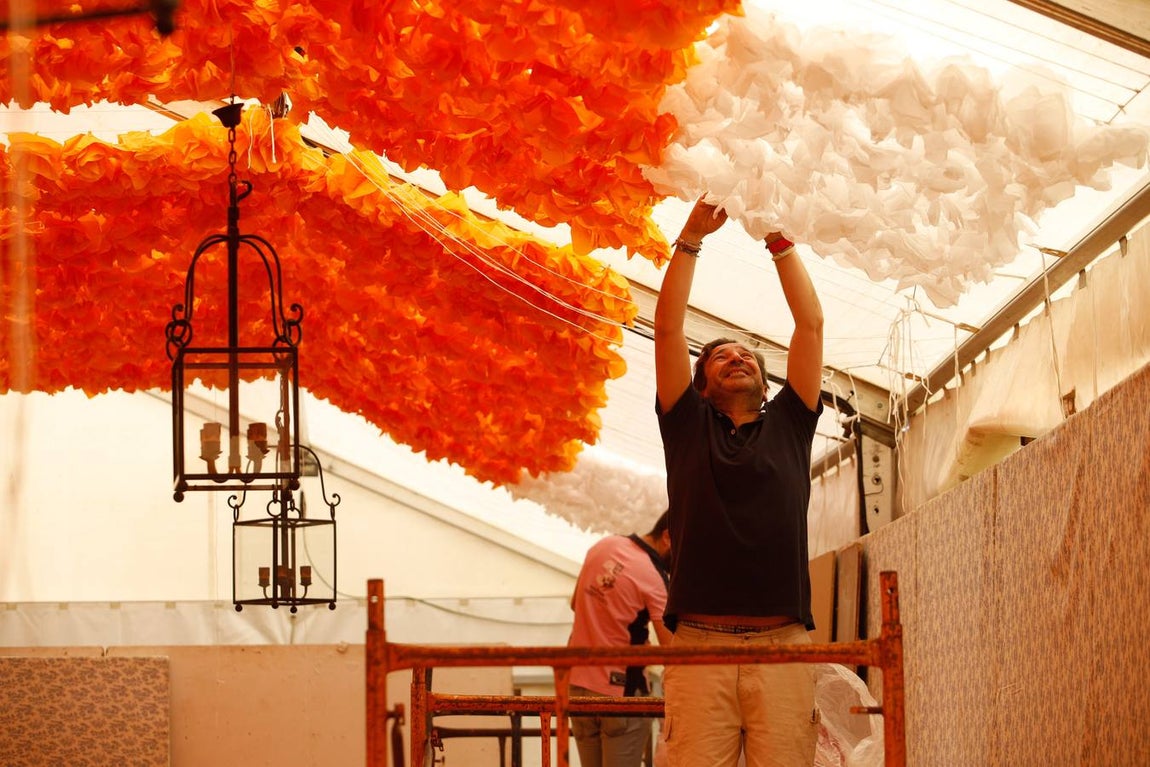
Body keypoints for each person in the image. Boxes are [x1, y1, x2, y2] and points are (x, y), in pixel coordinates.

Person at [653, 198, 825, 767]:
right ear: (701, 384)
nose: (738, 357)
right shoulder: (686, 424)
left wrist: (779, 242)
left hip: (784, 644)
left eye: (748, 354)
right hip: (699, 646)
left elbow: (810, 324)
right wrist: (690, 238)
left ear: (766, 380)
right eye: (721, 356)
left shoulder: (792, 423)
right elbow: (669, 326)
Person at [567, 511, 673, 767]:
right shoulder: (655, 578)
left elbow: (575, 604)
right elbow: (672, 650)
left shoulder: (604, 545)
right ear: (668, 537)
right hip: (620, 693)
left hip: (576, 685)